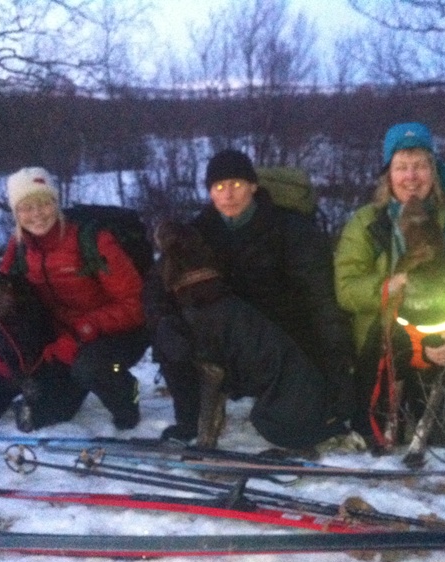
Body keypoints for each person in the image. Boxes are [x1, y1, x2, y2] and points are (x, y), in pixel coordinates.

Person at [153, 149, 358, 450]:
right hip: (227, 343)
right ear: (210, 192)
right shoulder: (195, 234)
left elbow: (322, 304)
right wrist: (163, 324)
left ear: (253, 186)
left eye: (236, 184)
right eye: (219, 187)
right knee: (176, 325)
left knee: (288, 426)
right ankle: (191, 418)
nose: (228, 194)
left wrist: (339, 378)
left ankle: (294, 409)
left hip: (283, 339)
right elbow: (155, 289)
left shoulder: (292, 230)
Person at [334, 122, 445, 450]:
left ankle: (427, 395)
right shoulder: (366, 223)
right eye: (401, 167)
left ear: (434, 170)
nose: (411, 177)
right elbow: (346, 289)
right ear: (388, 174)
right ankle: (391, 400)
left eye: (420, 166)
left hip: (439, 339)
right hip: (382, 340)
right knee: (381, 435)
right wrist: (386, 287)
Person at [0, 166, 151, 431]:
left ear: (56, 203)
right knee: (44, 413)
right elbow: (4, 303)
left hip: (118, 332)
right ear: (16, 213)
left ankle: (127, 393)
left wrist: (84, 329)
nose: (36, 215)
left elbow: (136, 304)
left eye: (44, 204)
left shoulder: (93, 241)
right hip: (63, 338)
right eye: (26, 207)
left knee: (89, 367)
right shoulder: (20, 247)